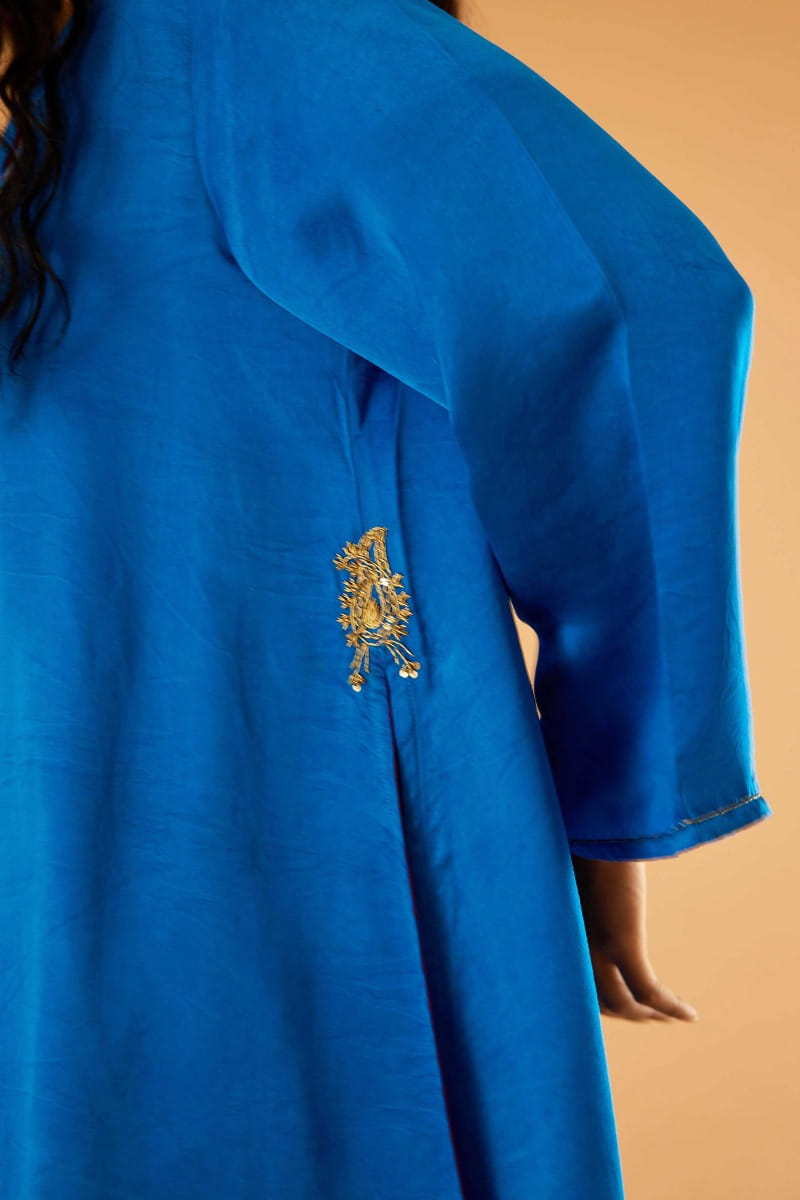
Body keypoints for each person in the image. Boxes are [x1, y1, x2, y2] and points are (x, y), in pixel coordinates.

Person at [0, 0, 771, 1197]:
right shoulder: (113, 78)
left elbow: (638, 305)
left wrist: (612, 775)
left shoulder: (237, 37)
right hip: (118, 847)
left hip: (243, 837)